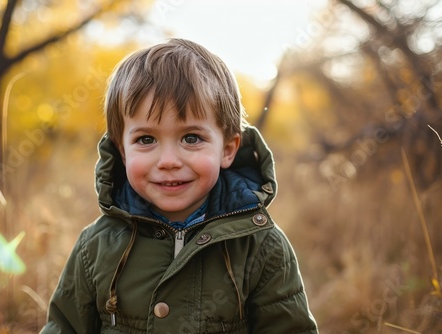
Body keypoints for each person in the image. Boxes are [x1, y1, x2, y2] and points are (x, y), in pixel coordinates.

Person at [41, 38, 318, 333]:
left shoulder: (260, 247)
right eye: (146, 140)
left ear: (227, 148)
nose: (169, 161)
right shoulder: (95, 247)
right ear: (123, 151)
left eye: (191, 138)